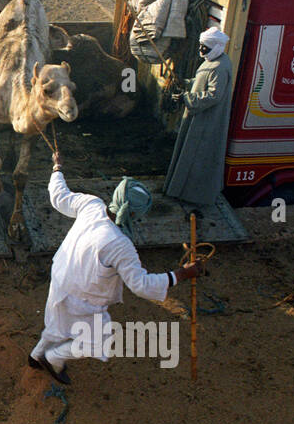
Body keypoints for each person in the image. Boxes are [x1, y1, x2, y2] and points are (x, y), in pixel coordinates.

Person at [28, 154, 202, 385]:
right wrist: (182, 273)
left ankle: (35, 357)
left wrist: (57, 168)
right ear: (133, 214)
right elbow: (141, 286)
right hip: (83, 297)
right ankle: (53, 357)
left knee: (58, 324)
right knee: (96, 341)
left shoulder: (91, 204)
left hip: (60, 279)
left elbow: (60, 196)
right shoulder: (121, 245)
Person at [164, 27, 233, 207]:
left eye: (205, 48)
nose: (201, 51)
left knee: (198, 157)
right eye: (201, 46)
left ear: (216, 47)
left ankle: (194, 196)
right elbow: (201, 81)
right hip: (197, 116)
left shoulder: (220, 66)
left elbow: (214, 95)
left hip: (206, 121)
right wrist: (187, 83)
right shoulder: (212, 60)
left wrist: (186, 98)